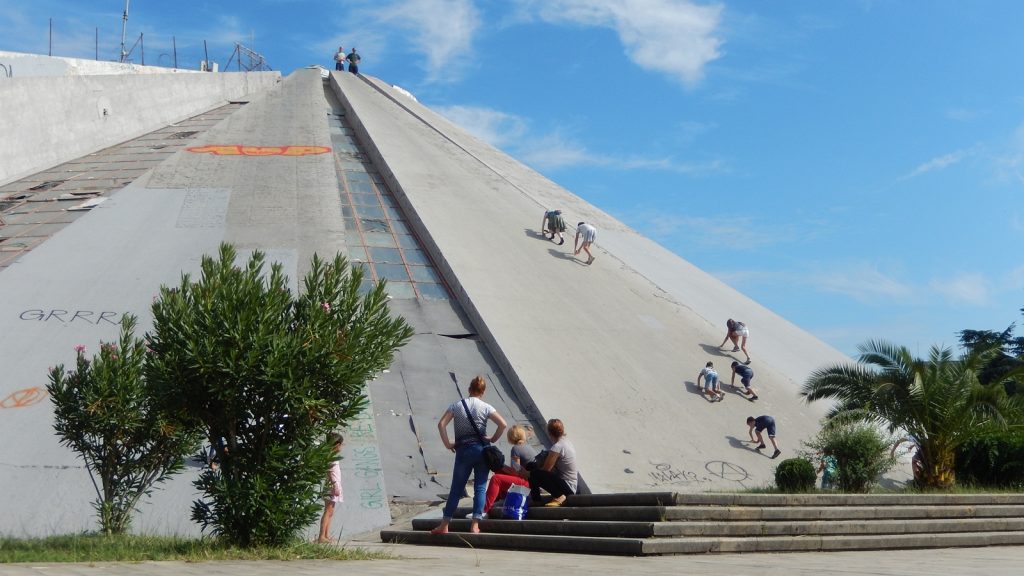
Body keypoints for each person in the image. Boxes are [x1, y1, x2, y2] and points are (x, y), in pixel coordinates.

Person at [431, 375, 507, 534]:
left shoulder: (456, 405)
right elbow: (503, 424)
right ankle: (475, 525)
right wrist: (492, 438)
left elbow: (441, 424)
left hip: (463, 450)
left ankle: (444, 525)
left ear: (469, 390)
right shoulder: (486, 407)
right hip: (481, 450)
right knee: (480, 487)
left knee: (456, 488)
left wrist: (448, 444)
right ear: (483, 392)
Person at [520, 418, 577, 507]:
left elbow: (546, 470)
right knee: (532, 467)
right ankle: (536, 499)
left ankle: (559, 496)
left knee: (534, 473)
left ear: (549, 433)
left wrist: (527, 473)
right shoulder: (567, 442)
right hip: (570, 485)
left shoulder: (557, 447)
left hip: (568, 487)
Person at [483, 425, 537, 514]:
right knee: (499, 472)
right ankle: (499, 498)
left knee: (496, 478)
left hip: (526, 484)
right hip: (531, 482)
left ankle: (484, 510)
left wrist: (502, 466)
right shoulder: (528, 446)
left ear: (511, 437)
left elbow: (516, 471)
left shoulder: (515, 448)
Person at [317, 433, 344, 543]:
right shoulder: (331, 456)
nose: (341, 447)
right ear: (337, 445)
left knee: (330, 512)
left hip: (333, 485)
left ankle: (326, 535)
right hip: (332, 486)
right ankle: (321, 536)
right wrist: (334, 484)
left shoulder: (331, 456)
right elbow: (329, 472)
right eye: (341, 445)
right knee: (328, 512)